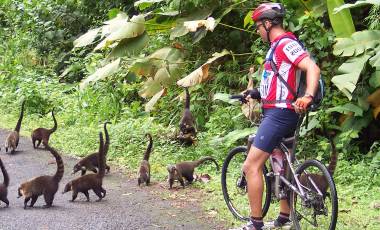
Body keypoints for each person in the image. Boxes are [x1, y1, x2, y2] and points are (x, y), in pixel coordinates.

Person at [236, 2, 321, 230]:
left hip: (280, 115)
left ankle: (255, 224)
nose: (256, 31)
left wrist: (308, 96)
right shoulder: (275, 47)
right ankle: (284, 217)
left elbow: (312, 68)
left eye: (257, 26)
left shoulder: (285, 43)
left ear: (267, 23)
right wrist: (255, 93)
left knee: (251, 166)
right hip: (276, 110)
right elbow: (279, 80)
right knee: (279, 165)